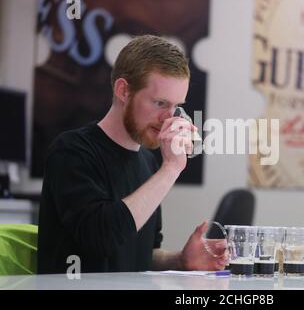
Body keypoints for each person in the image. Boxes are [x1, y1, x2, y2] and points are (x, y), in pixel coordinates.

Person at [37, 35, 227, 274]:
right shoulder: (72, 151)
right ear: (123, 90)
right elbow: (101, 239)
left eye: (176, 106)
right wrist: (170, 170)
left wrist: (181, 260)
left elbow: (143, 253)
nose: (170, 118)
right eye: (160, 103)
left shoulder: (147, 161)